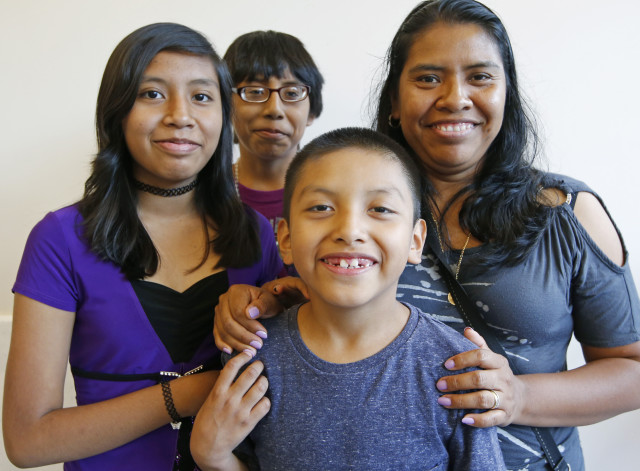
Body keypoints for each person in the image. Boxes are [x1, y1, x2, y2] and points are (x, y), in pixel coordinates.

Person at [213, 1, 640, 470]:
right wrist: (265, 301)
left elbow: (632, 370)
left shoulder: (567, 214)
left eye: (480, 77)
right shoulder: (352, 216)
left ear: (506, 93)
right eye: (428, 78)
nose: (455, 97)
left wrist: (518, 396)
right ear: (394, 100)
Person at [3, 23, 282, 470]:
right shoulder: (59, 239)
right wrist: (187, 394)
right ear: (117, 112)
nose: (180, 115)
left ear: (223, 119)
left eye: (202, 96)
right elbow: (27, 441)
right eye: (152, 94)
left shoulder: (256, 233)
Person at [191, 127, 506, 471]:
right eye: (322, 206)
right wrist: (214, 458)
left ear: (415, 241)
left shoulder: (456, 369)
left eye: (380, 209)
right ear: (286, 238)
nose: (350, 229)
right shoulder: (254, 356)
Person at [223, 30, 324, 238]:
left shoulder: (335, 193)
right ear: (225, 105)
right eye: (255, 92)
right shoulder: (202, 195)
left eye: (292, 93)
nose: (274, 109)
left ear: (311, 111)